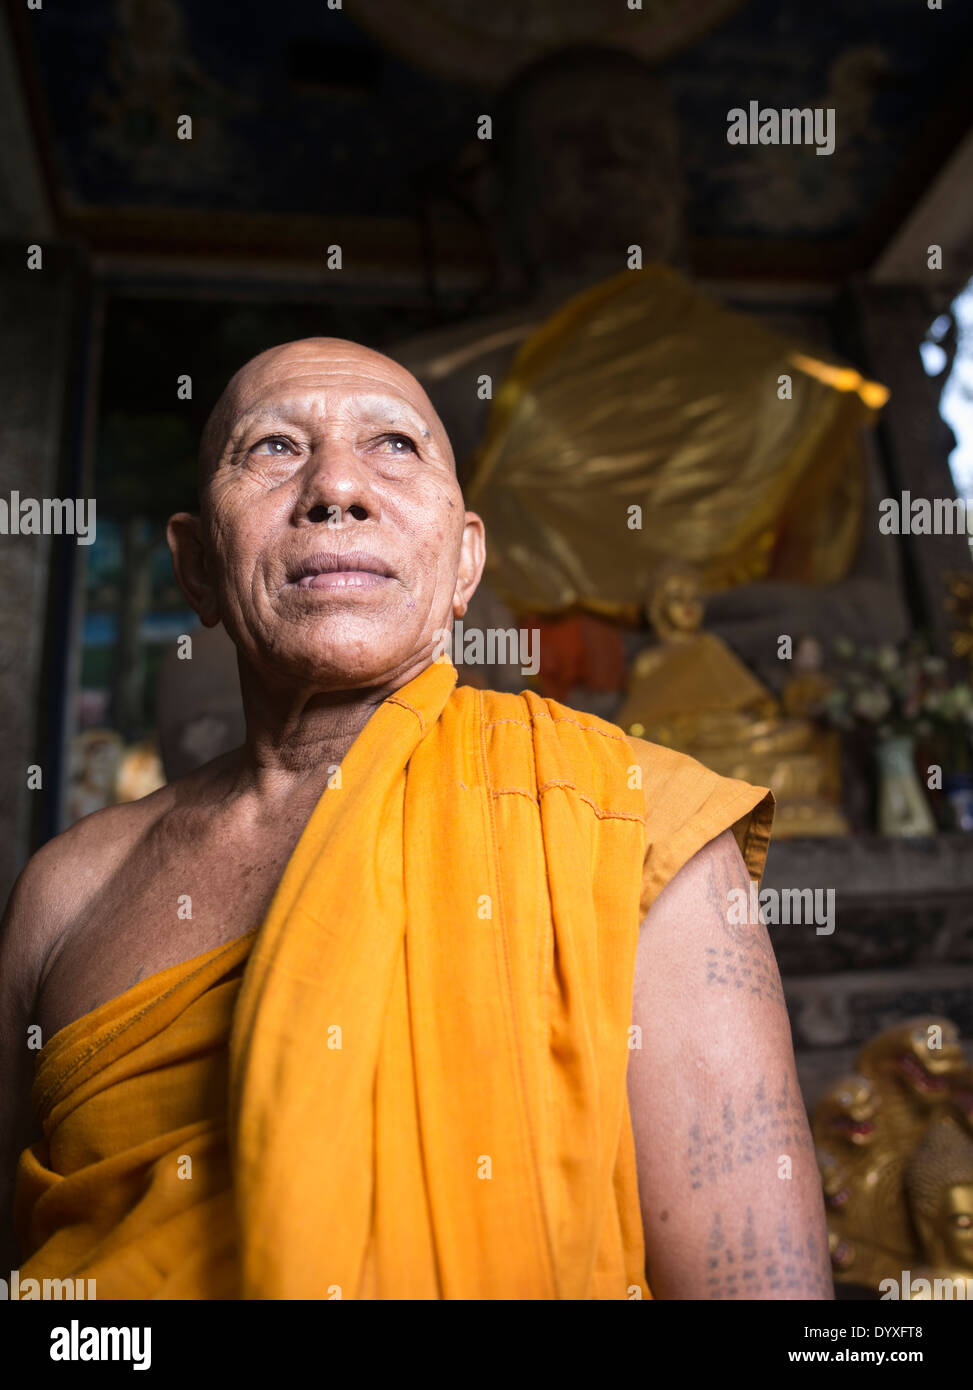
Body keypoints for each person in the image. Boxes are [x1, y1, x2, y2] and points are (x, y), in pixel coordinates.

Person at [0, 338, 831, 1300]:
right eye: (273, 449)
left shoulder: (627, 821)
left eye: (394, 445)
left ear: (464, 559)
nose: (337, 488)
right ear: (195, 565)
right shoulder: (68, 890)